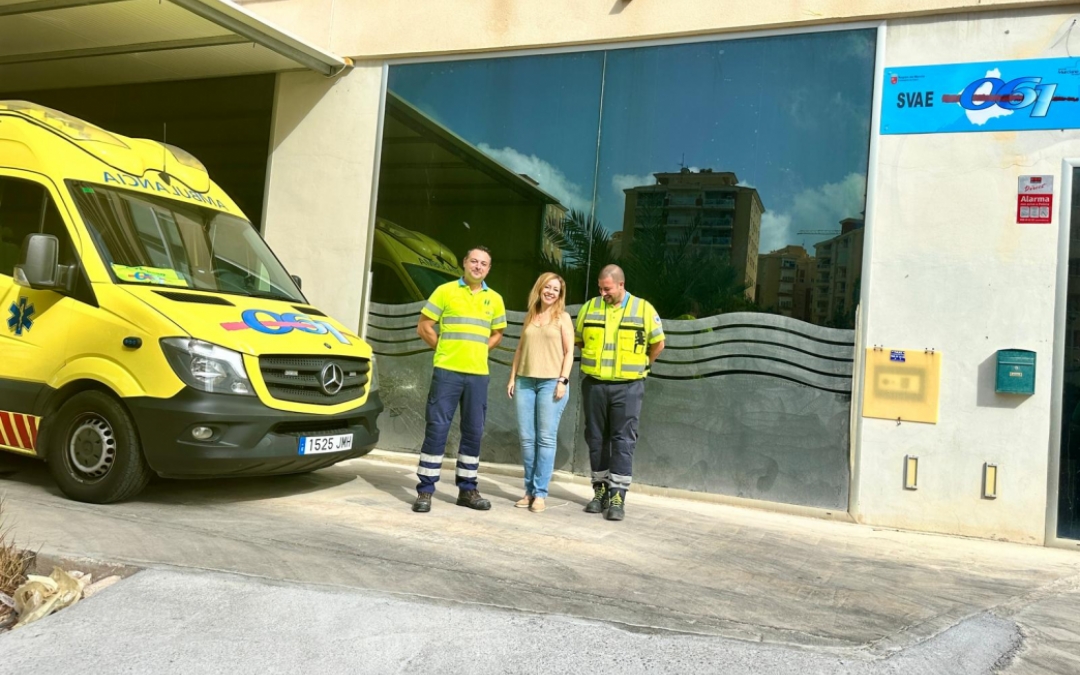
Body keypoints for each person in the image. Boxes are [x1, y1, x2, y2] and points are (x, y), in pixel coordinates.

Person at [411, 246, 506, 513]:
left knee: (473, 432)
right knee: (437, 429)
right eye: (474, 261)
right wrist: (444, 349)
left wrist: (479, 351)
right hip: (447, 372)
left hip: (478, 375)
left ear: (489, 269)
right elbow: (424, 326)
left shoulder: (495, 299)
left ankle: (467, 490)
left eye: (483, 263)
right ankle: (425, 491)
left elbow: (498, 333)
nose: (478, 266)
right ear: (464, 263)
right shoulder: (445, 291)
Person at [575, 265, 665, 521]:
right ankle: (600, 491)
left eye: (607, 289)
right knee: (596, 439)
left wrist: (643, 366)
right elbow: (579, 339)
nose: (602, 293)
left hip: (628, 387)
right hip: (594, 385)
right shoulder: (589, 308)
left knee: (623, 441)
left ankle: (617, 496)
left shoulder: (643, 309)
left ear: (621, 285)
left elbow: (658, 343)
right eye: (600, 288)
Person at [507, 273, 574, 513]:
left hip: (551, 383)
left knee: (545, 439)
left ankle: (540, 494)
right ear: (540, 288)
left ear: (560, 294)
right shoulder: (530, 316)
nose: (551, 292)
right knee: (527, 439)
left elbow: (569, 352)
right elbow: (520, 349)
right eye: (548, 287)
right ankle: (528, 491)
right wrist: (513, 377)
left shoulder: (563, 318)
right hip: (525, 382)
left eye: (556, 289)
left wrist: (563, 380)